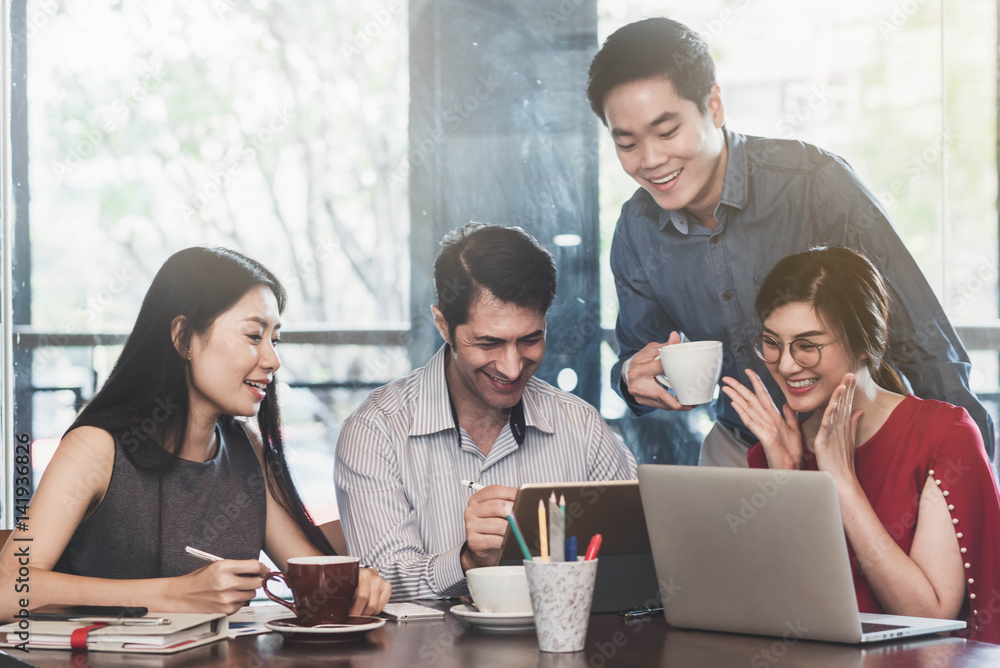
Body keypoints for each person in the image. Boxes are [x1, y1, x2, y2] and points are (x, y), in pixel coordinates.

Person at [586, 17, 994, 466]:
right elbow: (638, 357)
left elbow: (923, 341)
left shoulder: (815, 186)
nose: (651, 160)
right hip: (742, 443)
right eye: (626, 143)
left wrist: (969, 469)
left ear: (714, 106)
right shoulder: (636, 229)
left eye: (667, 132)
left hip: (855, 444)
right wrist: (630, 380)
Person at [0, 247, 390, 621]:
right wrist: (174, 594)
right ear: (183, 337)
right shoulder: (96, 447)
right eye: (254, 336)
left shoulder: (245, 448)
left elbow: (306, 567)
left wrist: (352, 584)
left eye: (275, 339)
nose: (273, 359)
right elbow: (7, 589)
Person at [335, 223, 637, 600]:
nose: (512, 368)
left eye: (530, 339)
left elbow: (640, 558)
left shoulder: (580, 425)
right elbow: (381, 591)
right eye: (488, 343)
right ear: (443, 325)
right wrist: (467, 560)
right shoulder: (376, 431)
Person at [720, 247, 1000, 644]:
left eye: (807, 344)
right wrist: (786, 481)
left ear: (866, 341)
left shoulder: (944, 435)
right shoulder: (777, 451)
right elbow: (773, 615)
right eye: (772, 343)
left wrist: (842, 482)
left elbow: (929, 614)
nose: (784, 365)